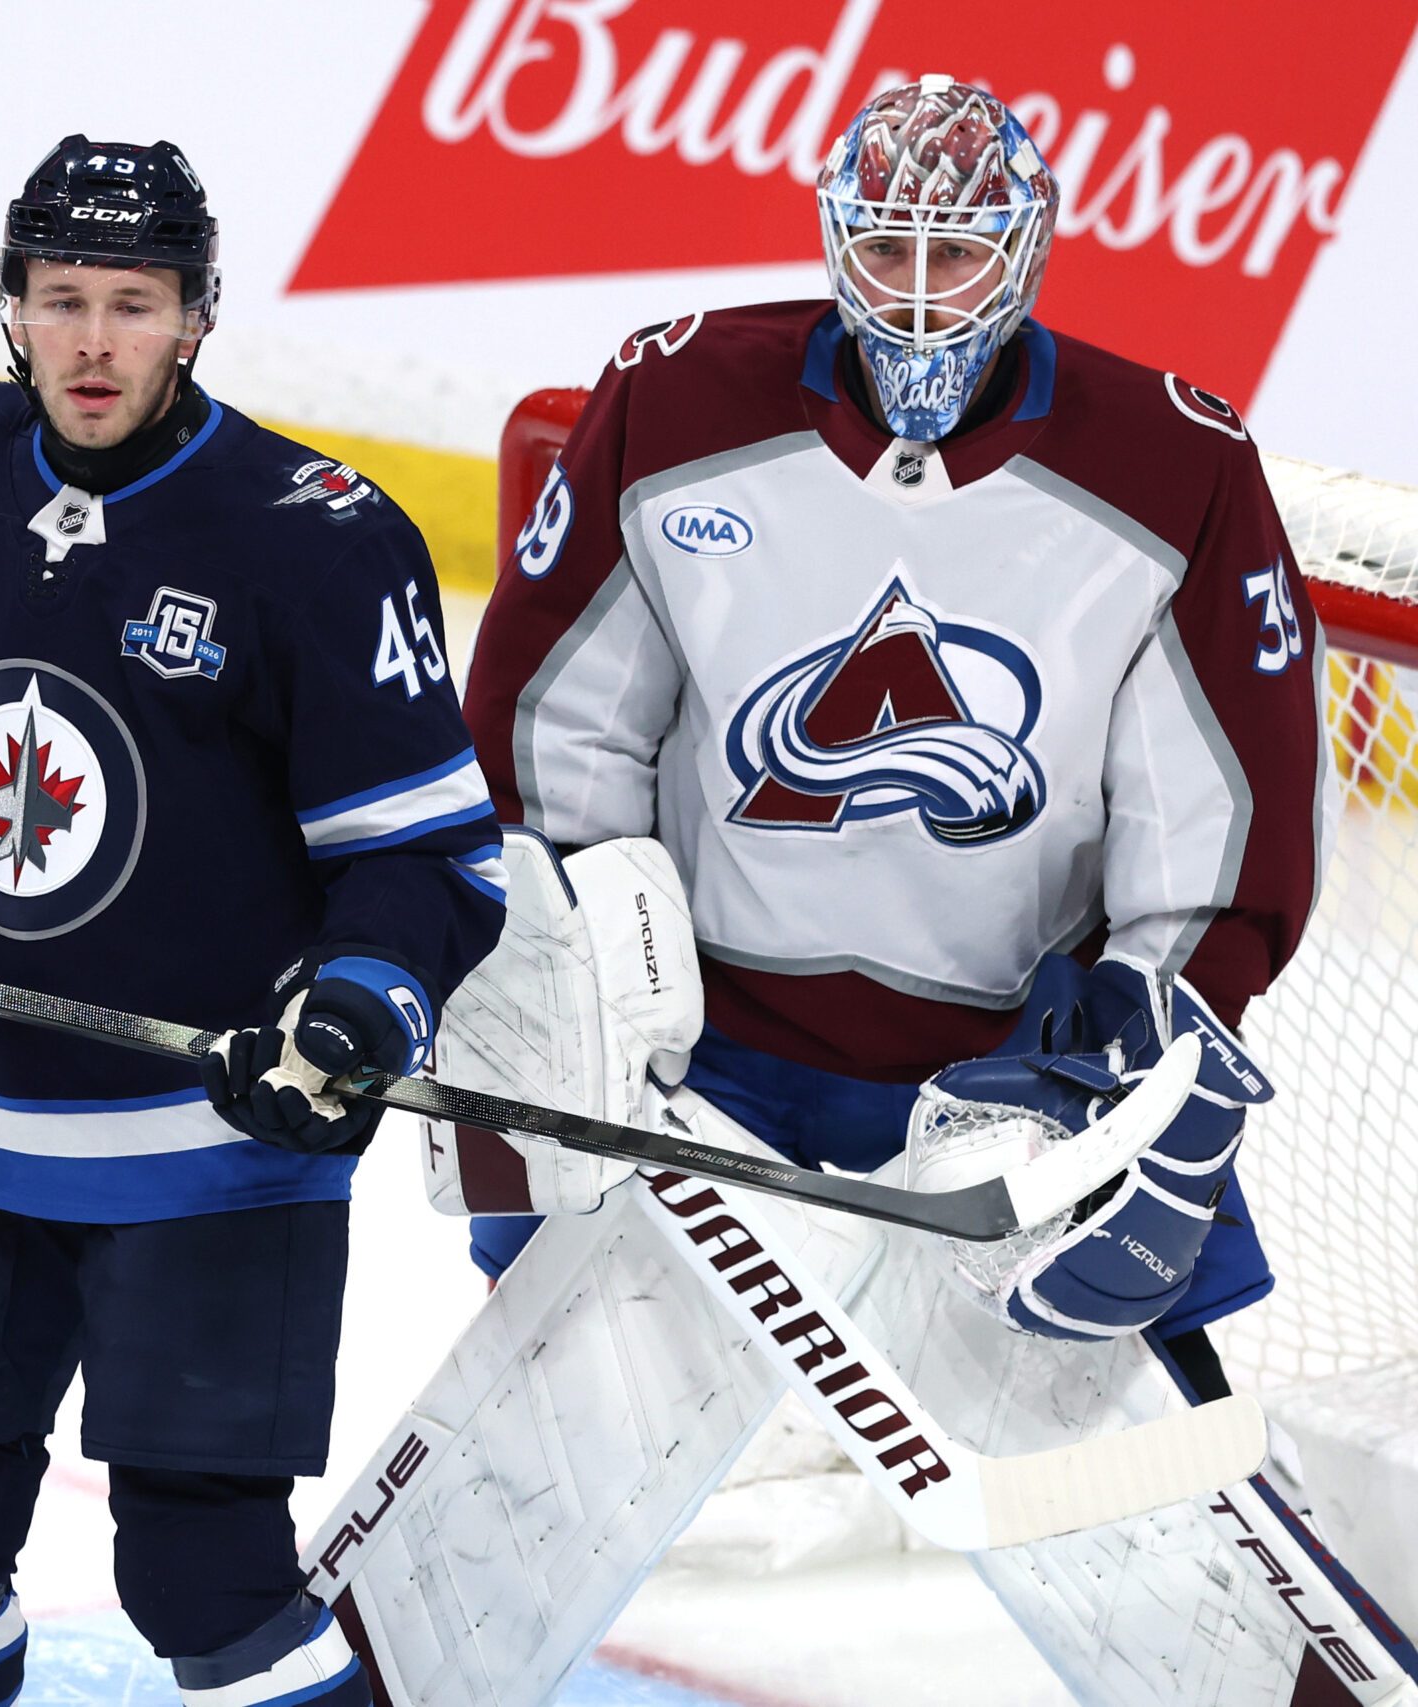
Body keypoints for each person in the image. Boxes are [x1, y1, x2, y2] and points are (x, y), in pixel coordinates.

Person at [454, 76, 1355, 1701]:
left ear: (1030, 250)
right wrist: (569, 947)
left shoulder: (1171, 461)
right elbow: (554, 722)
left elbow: (1213, 822)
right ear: (833, 239)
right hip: (704, 1053)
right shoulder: (678, 400)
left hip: (1010, 1085)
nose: (919, 295)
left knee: (1171, 1517)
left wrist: (1147, 1063)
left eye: (957, 255)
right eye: (886, 250)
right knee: (529, 1433)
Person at [0, 136, 504, 1707]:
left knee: (200, 1578)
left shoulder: (320, 539)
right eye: (60, 298)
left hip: (209, 1160)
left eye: (132, 304)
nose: (92, 341)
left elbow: (430, 861)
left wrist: (354, 1007)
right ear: (7, 304)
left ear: (198, 316)